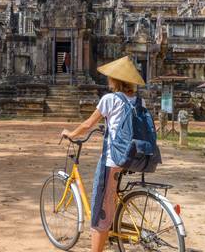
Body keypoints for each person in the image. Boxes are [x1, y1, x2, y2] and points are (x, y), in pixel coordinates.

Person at [60, 56, 146, 252]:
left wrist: (70, 134)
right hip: (133, 156)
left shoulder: (109, 99)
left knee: (100, 208)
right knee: (110, 198)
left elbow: (88, 124)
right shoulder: (139, 101)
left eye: (110, 77)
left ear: (115, 80)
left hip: (113, 158)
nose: (108, 80)